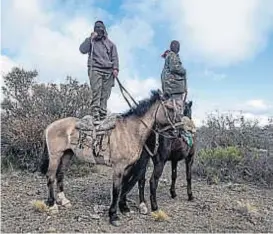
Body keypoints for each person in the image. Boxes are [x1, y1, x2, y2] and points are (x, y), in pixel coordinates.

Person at [79, 20, 119, 121]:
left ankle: (102, 113)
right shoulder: (91, 41)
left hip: (108, 71)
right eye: (97, 28)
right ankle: (95, 113)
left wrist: (115, 68)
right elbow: (82, 50)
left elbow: (114, 57)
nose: (99, 31)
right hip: (95, 68)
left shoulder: (111, 44)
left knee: (105, 94)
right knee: (96, 91)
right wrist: (90, 38)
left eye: (101, 29)